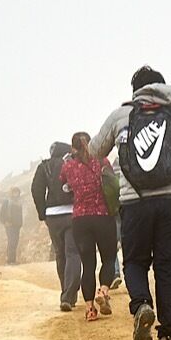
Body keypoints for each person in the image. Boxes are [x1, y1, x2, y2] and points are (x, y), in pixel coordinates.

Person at [93, 66, 171, 340]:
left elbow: (96, 150)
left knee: (134, 261)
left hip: (134, 203)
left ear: (135, 90)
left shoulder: (122, 115)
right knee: (167, 266)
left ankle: (142, 305)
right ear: (162, 86)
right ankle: (168, 336)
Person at [61, 132, 115, 320]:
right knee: (108, 259)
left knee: (88, 265)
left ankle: (90, 309)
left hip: (80, 221)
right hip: (103, 217)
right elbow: (112, 180)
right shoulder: (101, 161)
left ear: (73, 147)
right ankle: (103, 291)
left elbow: (62, 183)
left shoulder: (68, 167)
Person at [31, 142, 76, 310]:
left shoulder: (44, 166)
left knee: (60, 254)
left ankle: (66, 293)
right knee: (72, 253)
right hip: (72, 213)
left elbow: (36, 189)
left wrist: (43, 212)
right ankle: (69, 293)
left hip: (52, 216)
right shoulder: (71, 164)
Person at [98, 159, 123, 289]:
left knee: (111, 244)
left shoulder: (95, 164)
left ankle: (115, 273)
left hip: (108, 210)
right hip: (122, 206)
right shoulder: (106, 163)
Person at [0, 188, 25, 264]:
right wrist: (5, 222)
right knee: (11, 242)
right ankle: (10, 260)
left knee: (15, 242)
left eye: (17, 192)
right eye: (14, 192)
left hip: (17, 226)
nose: (16, 194)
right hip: (10, 226)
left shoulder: (19, 203)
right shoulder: (7, 202)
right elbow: (2, 214)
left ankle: (13, 260)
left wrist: (20, 224)